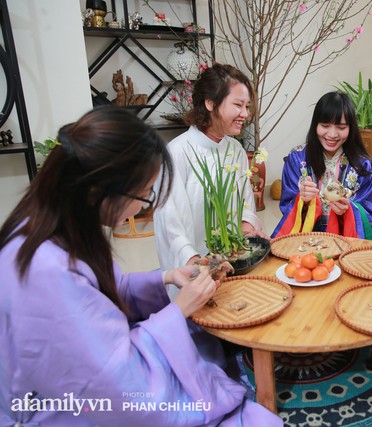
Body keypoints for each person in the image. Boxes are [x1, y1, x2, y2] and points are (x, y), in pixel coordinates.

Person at [0, 106, 282, 426]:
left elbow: (103, 296)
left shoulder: (52, 224)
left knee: (205, 343)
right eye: (144, 193)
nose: (143, 205)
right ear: (103, 190)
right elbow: (119, 382)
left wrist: (167, 278)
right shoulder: (46, 272)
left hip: (99, 373)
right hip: (77, 406)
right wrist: (179, 311)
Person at [154, 63, 268, 292]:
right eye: (238, 105)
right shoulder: (177, 152)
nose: (245, 114)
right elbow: (170, 221)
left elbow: (245, 203)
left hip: (233, 263)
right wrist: (194, 260)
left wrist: (247, 228)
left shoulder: (235, 150)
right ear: (210, 103)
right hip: (194, 271)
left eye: (247, 106)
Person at [272, 91, 372, 239]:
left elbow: (368, 213)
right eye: (325, 125)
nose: (332, 134)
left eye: (341, 128)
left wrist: (349, 209)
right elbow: (286, 205)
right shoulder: (296, 158)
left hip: (346, 238)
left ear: (351, 128)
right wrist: (303, 201)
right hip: (306, 237)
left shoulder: (363, 165)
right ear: (315, 124)